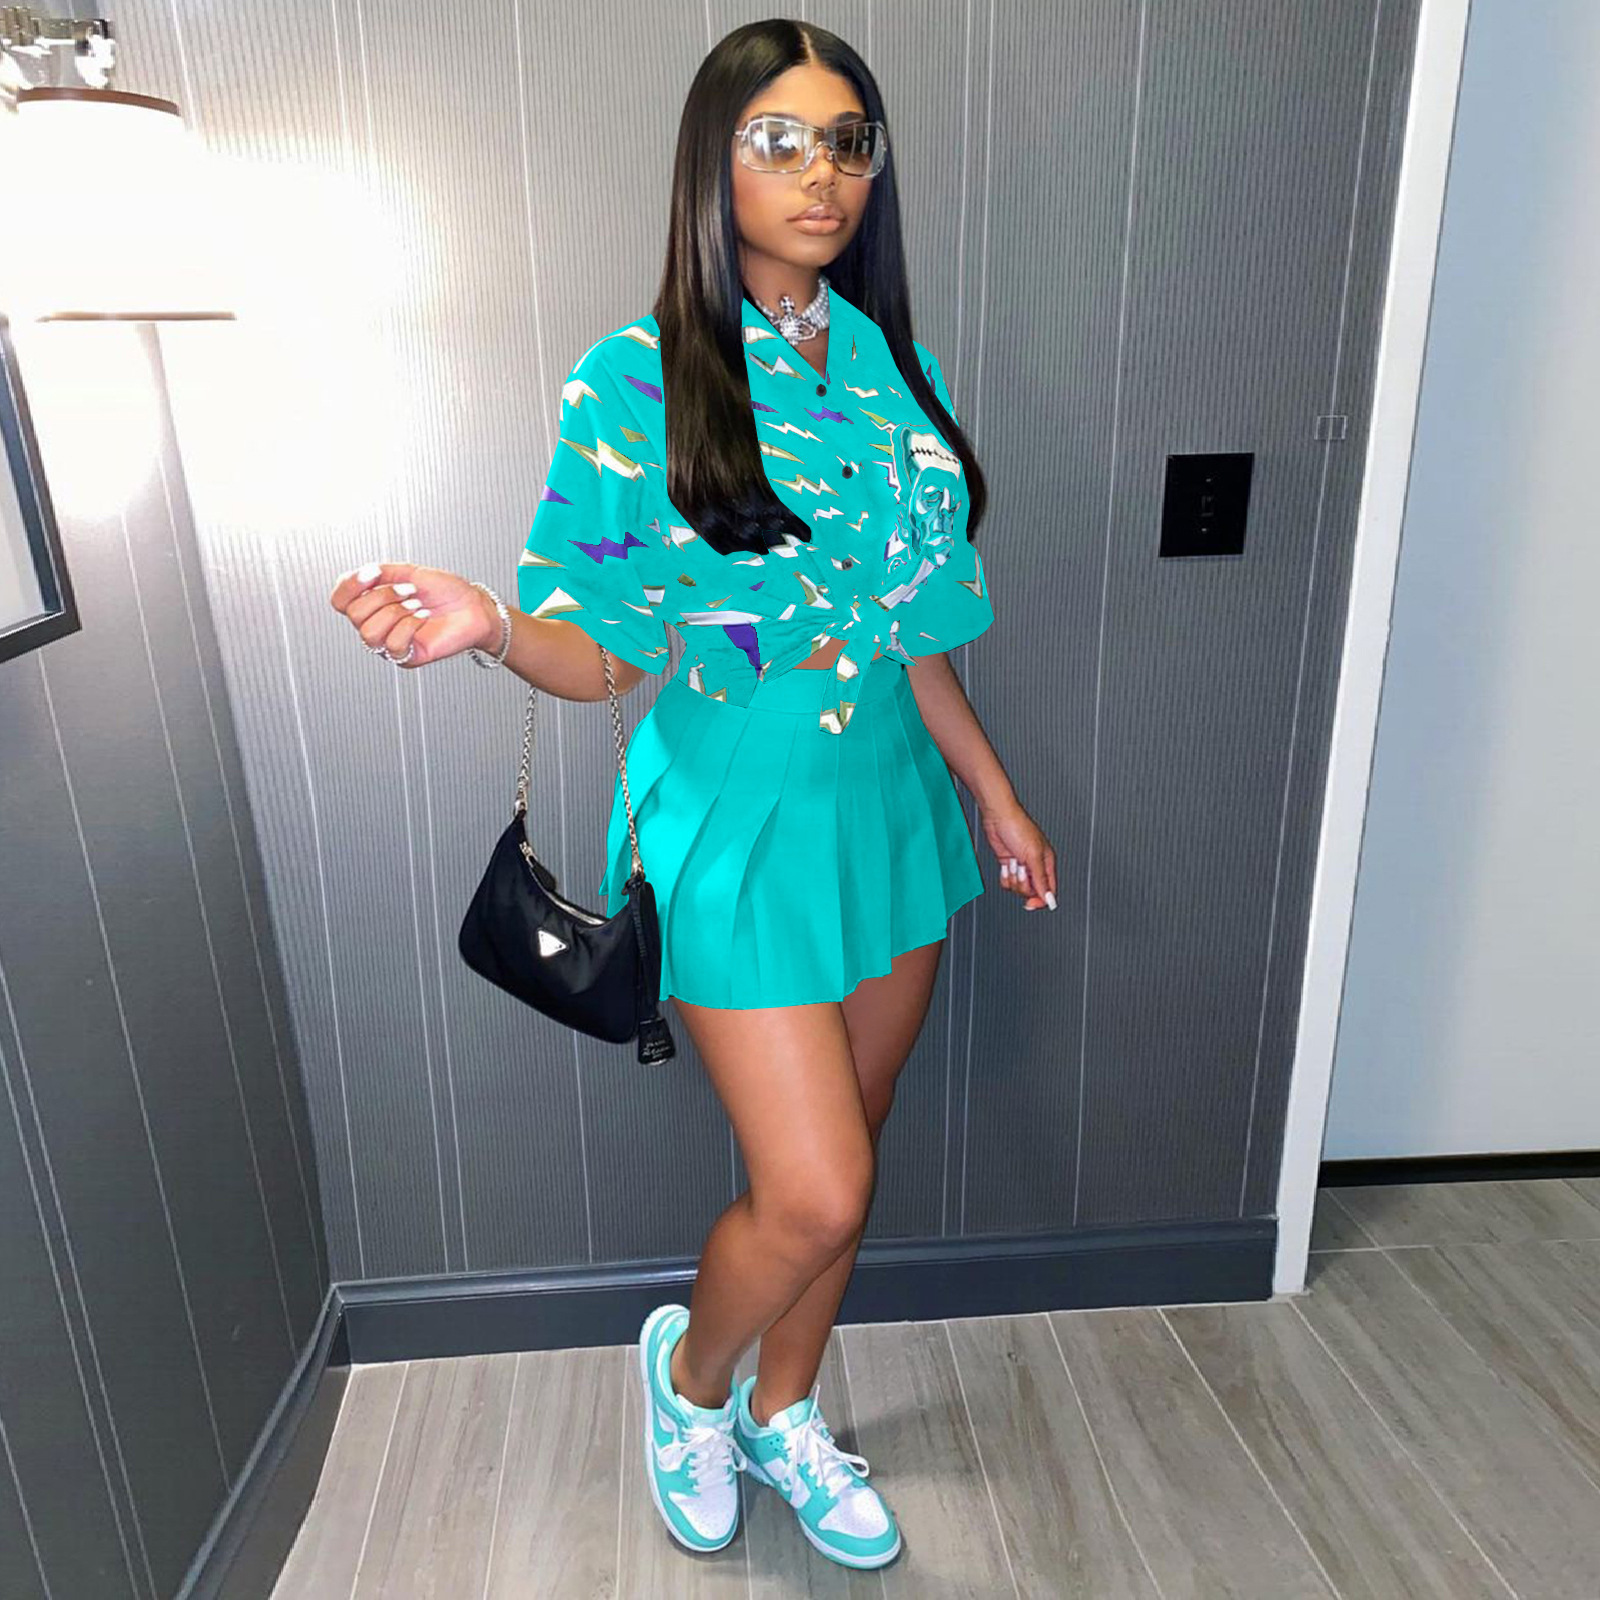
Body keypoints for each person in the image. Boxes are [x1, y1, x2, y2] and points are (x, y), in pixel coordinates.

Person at [330, 18, 1055, 1574]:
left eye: (848, 141)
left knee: (856, 1147)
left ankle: (789, 1410)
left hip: (890, 814)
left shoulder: (895, 371)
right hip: (734, 819)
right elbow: (604, 653)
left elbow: (914, 636)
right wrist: (491, 624)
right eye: (779, 140)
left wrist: (992, 795)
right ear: (711, 166)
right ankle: (694, 1386)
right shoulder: (634, 379)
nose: (822, 173)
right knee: (817, 1189)